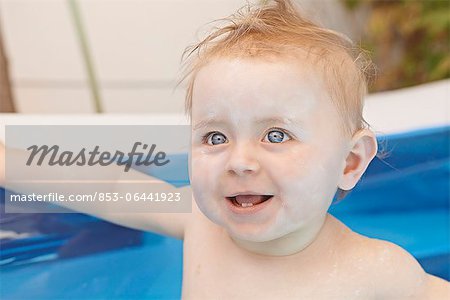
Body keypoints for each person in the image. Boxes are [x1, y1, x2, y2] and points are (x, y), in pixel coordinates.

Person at [1, 0, 449, 298]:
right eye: (216, 137)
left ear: (349, 162)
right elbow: (112, 184)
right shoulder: (202, 225)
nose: (240, 161)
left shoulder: (375, 271)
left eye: (276, 135)